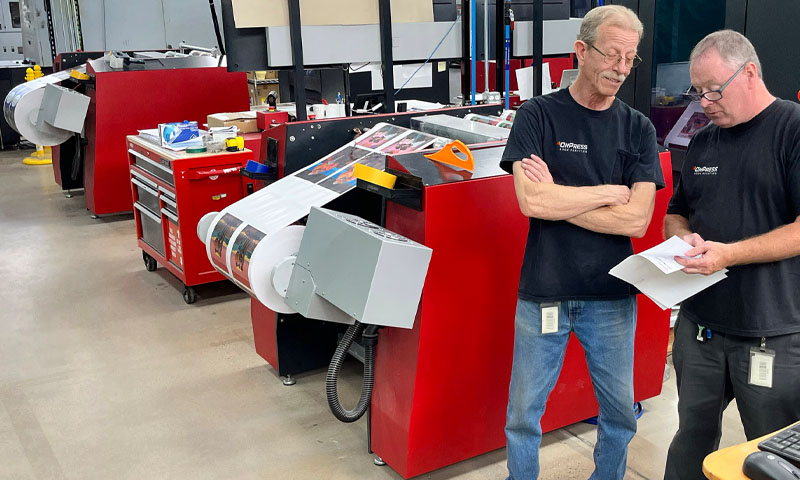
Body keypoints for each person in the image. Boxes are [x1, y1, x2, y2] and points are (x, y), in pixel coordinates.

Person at [499, 5, 664, 479]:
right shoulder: (537, 116)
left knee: (618, 414)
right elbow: (532, 203)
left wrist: (562, 195)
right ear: (581, 51)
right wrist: (607, 193)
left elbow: (636, 220)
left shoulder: (638, 128)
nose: (621, 69)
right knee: (523, 416)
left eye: (630, 59)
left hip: (611, 295)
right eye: (612, 55)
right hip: (544, 289)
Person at [663, 30, 800, 480]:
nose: (704, 102)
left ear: (751, 73)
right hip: (700, 330)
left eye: (713, 90)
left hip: (770, 333)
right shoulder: (704, 141)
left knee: (774, 457)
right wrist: (682, 238)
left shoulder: (791, 129)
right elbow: (677, 213)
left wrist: (729, 255)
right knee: (692, 439)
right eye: (697, 91)